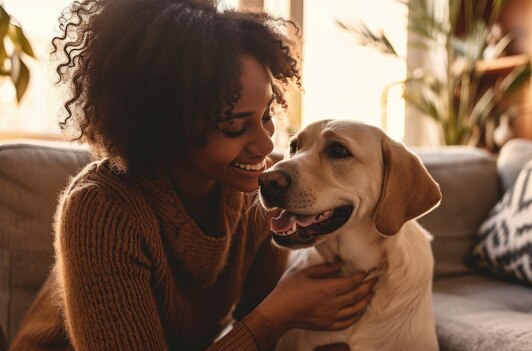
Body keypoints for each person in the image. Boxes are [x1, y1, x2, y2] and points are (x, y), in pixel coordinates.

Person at [9, 0, 376, 350]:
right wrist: (277, 315)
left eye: (265, 116)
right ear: (166, 126)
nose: (265, 145)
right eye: (234, 126)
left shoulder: (262, 190)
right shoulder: (101, 210)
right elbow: (263, 322)